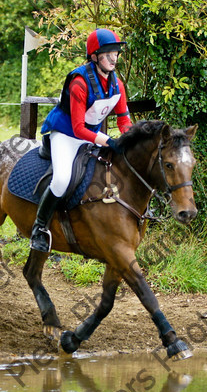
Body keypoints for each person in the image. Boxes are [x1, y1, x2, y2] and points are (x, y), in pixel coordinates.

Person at [30, 28, 133, 253]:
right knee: (61, 179)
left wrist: (130, 140)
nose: (114, 58)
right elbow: (78, 127)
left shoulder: (118, 84)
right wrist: (108, 140)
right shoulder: (79, 82)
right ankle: (39, 228)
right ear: (94, 56)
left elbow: (124, 120)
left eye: (115, 53)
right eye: (108, 54)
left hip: (91, 134)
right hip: (65, 134)